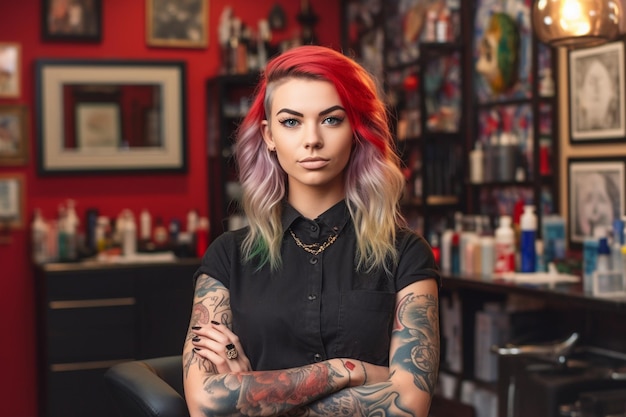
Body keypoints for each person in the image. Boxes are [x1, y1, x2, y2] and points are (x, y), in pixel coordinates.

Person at [183, 45, 441, 417]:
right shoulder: (228, 257)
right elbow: (206, 404)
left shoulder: (405, 254)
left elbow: (408, 407)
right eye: (291, 122)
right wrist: (347, 370)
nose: (312, 139)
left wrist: (255, 394)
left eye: (331, 119)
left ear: (356, 130)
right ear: (269, 136)